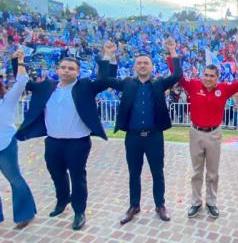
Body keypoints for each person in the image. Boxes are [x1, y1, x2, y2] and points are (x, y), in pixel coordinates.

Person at [15, 46, 114, 230]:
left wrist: (106, 55)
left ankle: (79, 211)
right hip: (53, 142)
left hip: (78, 143)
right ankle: (62, 201)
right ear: (57, 70)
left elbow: (103, 80)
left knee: (77, 177)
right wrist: (19, 62)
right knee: (57, 174)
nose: (67, 71)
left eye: (71, 68)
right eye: (64, 67)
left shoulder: (84, 86)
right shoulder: (47, 87)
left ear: (77, 72)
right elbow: (24, 83)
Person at [101, 39, 182, 225]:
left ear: (152, 66)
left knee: (157, 172)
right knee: (133, 172)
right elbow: (105, 80)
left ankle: (160, 205)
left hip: (154, 136)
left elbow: (177, 74)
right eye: (139, 63)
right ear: (134, 67)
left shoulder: (159, 83)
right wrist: (108, 55)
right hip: (133, 137)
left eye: (146, 63)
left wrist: (172, 51)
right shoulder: (128, 83)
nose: (143, 65)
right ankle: (134, 205)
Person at [167, 54, 238, 219]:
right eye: (206, 75)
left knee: (212, 172)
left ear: (217, 78)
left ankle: (211, 202)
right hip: (195, 133)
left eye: (212, 76)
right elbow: (177, 75)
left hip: (214, 134)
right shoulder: (193, 86)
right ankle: (196, 202)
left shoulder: (223, 89)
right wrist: (172, 54)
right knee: (196, 172)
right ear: (202, 75)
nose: (208, 78)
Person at [0, 50, 36, 229]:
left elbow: (22, 81)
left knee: (14, 179)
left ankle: (25, 214)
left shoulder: (7, 99)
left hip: (5, 145)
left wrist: (20, 61)